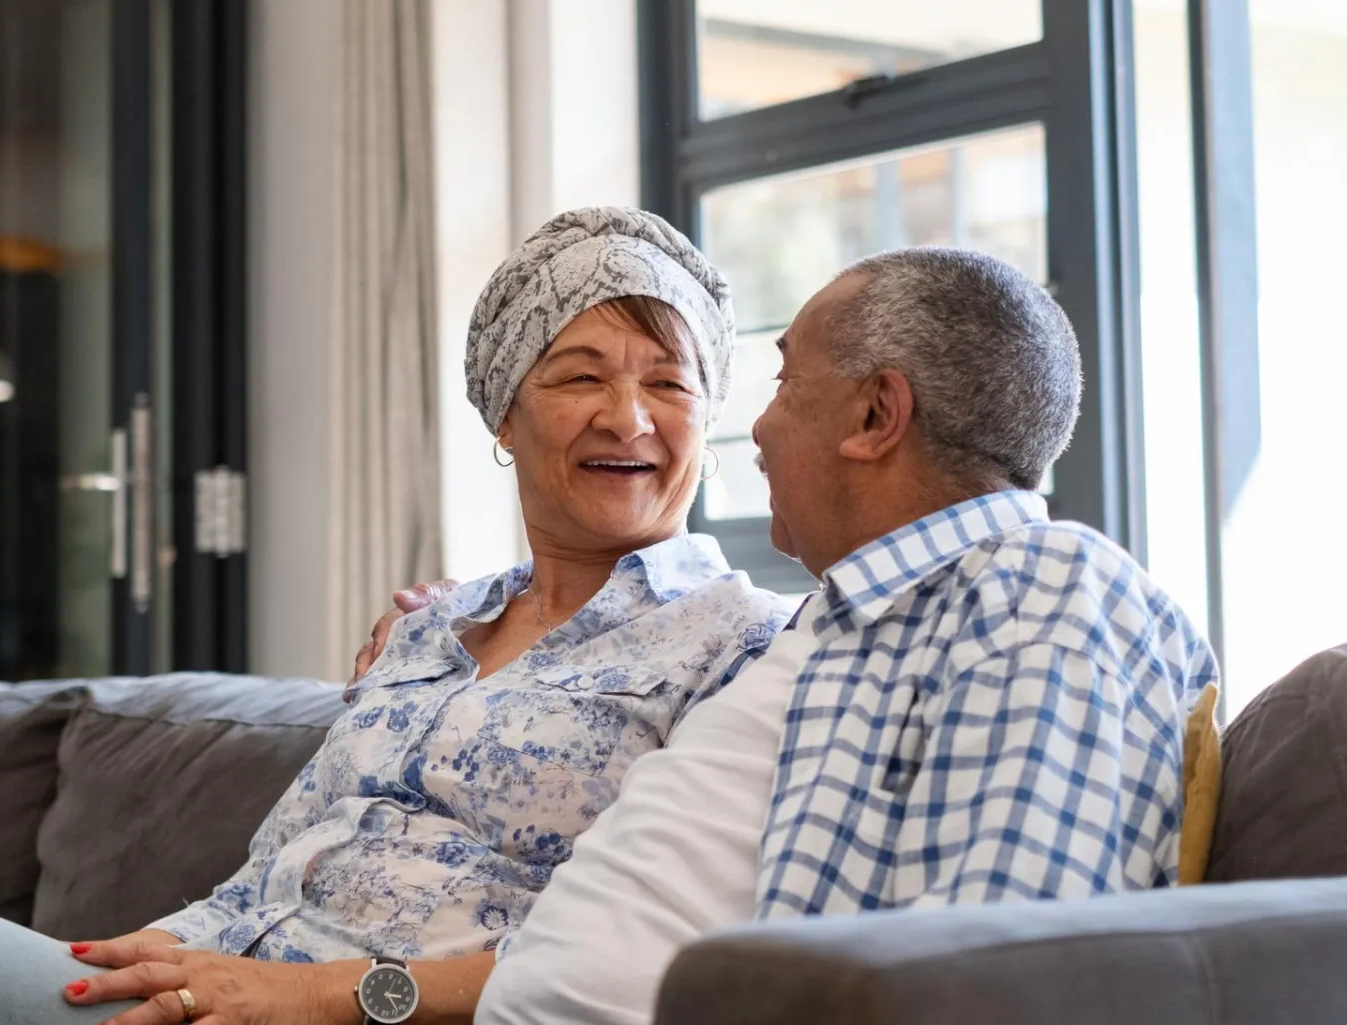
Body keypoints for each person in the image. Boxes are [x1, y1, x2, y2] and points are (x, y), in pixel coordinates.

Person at [0, 207, 791, 1025]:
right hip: (199, 979)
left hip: (332, 1013)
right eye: (580, 372)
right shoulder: (436, 632)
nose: (630, 414)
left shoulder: (745, 645)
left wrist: (318, 994)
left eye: (671, 378)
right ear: (504, 413)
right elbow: (294, 859)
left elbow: (634, 963)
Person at [371, 248, 1218, 1025]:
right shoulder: (852, 621)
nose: (761, 435)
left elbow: (995, 976)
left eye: (784, 387)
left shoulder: (1039, 593)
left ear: (876, 414)